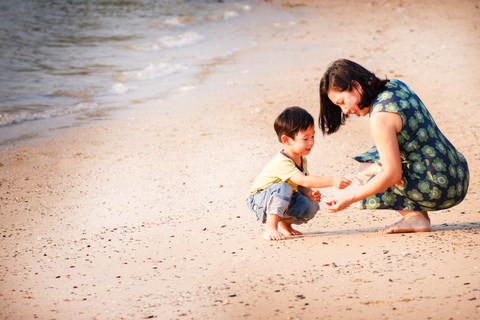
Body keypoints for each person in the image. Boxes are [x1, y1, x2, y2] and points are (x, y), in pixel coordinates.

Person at [318, 59, 469, 234]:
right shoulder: (394, 85)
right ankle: (416, 212)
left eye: (342, 102)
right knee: (378, 157)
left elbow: (392, 174)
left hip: (441, 186)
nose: (344, 110)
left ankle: (415, 218)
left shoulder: (380, 116)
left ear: (356, 86)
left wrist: (349, 198)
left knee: (366, 171)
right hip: (456, 170)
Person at [247, 106, 352, 241]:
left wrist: (308, 192)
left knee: (311, 205)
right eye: (305, 138)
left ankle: (285, 224)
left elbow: (300, 184)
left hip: (280, 199)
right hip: (259, 202)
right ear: (287, 140)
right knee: (283, 187)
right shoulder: (282, 162)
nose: (311, 142)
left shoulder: (301, 158)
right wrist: (331, 181)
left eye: (313, 136)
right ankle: (270, 228)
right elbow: (302, 180)